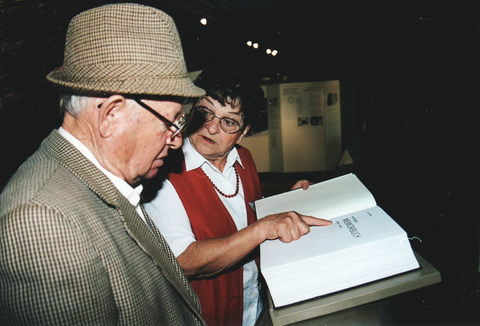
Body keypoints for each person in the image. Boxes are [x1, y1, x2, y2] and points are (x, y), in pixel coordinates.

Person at [0, 3, 208, 325]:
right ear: (110, 116)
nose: (177, 140)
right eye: (170, 123)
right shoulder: (43, 224)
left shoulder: (105, 180)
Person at [143, 68, 332, 326]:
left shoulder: (244, 159)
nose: (211, 127)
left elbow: (250, 217)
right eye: (205, 112)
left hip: (256, 306)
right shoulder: (164, 173)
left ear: (242, 132)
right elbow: (183, 260)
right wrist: (262, 228)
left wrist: (287, 204)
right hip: (209, 317)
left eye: (228, 121)